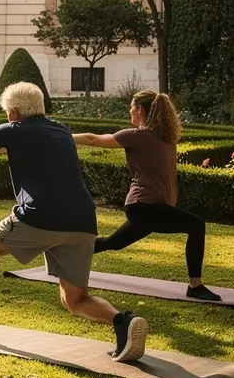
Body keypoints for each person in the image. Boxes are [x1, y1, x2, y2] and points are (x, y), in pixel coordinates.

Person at [0, 81, 149, 362]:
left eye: (6, 112)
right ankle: (123, 321)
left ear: (13, 112)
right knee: (74, 300)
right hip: (82, 222)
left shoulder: (18, 130)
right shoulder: (59, 130)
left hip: (42, 217)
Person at [71, 89, 218, 301]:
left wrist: (60, 134)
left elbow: (93, 139)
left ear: (139, 109)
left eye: (131, 107)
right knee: (197, 225)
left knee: (113, 242)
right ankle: (195, 285)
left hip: (146, 207)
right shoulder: (157, 137)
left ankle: (64, 254)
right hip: (144, 207)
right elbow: (93, 140)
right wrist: (62, 136)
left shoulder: (146, 136)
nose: (129, 112)